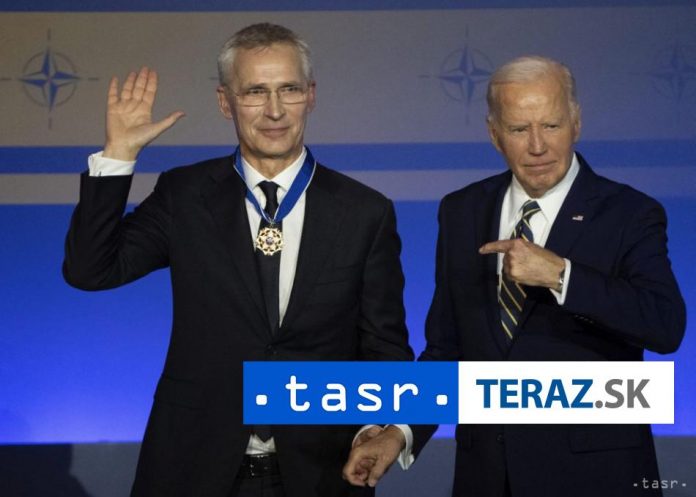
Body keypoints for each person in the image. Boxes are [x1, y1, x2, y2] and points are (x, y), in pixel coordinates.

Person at [63, 23, 416, 497]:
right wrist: (118, 155)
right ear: (225, 102)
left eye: (289, 89)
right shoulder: (185, 195)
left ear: (311, 95)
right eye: (255, 92)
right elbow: (90, 270)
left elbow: (385, 348)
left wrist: (380, 426)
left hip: (321, 474)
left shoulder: (364, 212)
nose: (275, 110)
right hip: (193, 470)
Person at [343, 56, 686, 496]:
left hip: (595, 478)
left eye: (552, 126)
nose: (537, 146)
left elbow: (664, 325)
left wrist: (562, 276)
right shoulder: (462, 210)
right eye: (519, 129)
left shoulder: (629, 213)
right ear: (494, 134)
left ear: (576, 123)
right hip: (487, 476)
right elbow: (446, 349)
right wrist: (400, 432)